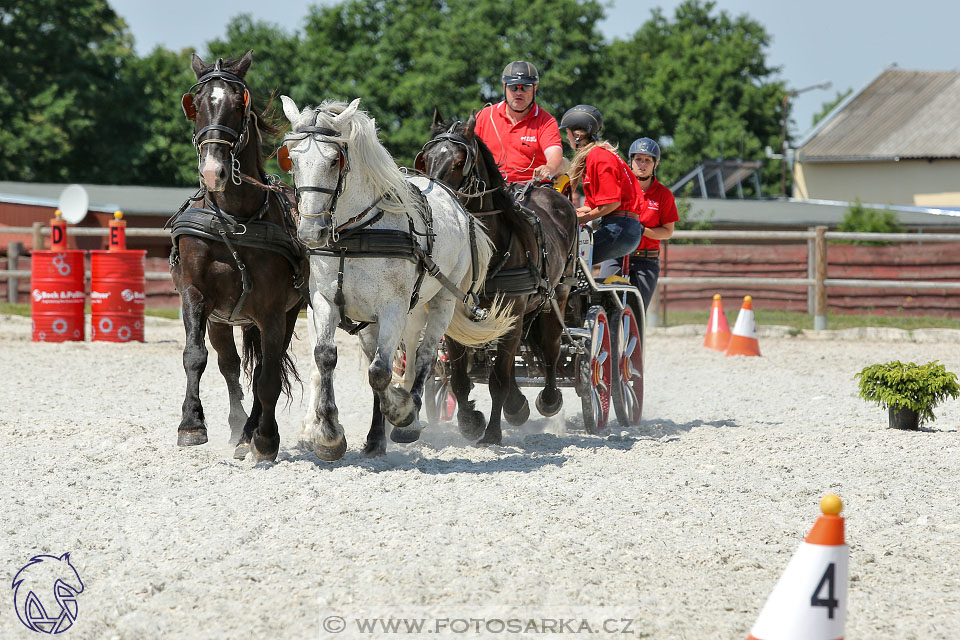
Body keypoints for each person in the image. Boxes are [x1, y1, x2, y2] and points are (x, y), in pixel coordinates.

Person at [560, 104, 645, 265]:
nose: (566, 137)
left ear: (577, 135)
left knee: (565, 260)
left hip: (620, 228)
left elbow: (612, 203)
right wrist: (569, 214)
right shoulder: (596, 155)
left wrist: (583, 218)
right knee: (571, 262)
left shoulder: (599, 157)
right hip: (623, 227)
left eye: (568, 132)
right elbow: (592, 206)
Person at [474, 61, 564, 183]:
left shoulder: (546, 121)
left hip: (533, 187)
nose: (519, 92)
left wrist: (550, 168)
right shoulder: (484, 116)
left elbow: (554, 155)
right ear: (504, 86)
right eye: (513, 87)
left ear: (535, 88)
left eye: (525, 87)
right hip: (492, 188)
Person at [626, 137, 678, 310]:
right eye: (638, 159)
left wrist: (641, 230)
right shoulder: (621, 189)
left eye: (648, 160)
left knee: (637, 311)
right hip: (618, 256)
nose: (642, 164)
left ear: (655, 164)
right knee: (605, 302)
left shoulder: (664, 195)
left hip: (646, 260)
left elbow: (667, 232)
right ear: (631, 161)